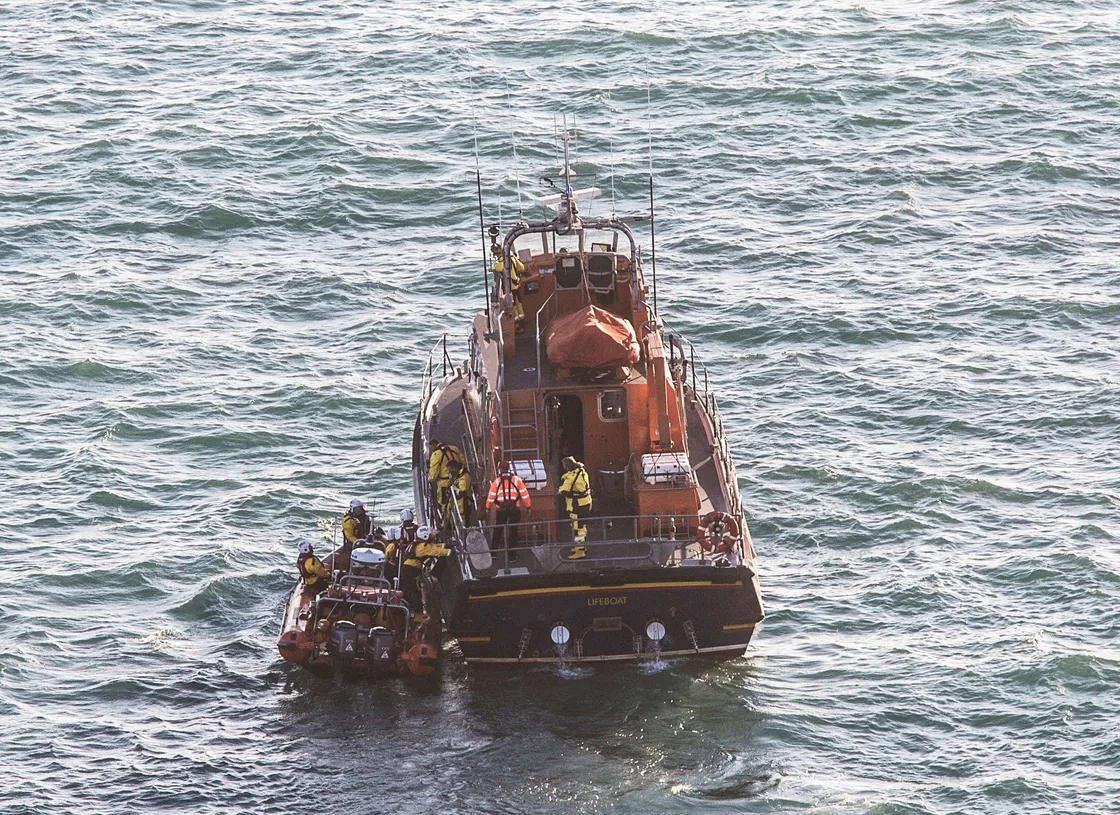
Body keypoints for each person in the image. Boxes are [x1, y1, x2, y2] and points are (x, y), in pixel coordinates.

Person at [384, 522, 450, 616]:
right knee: (413, 590)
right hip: (411, 570)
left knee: (412, 589)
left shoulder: (419, 545)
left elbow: (433, 547)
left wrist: (444, 545)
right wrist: (448, 551)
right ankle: (415, 611)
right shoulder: (422, 546)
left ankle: (413, 609)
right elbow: (434, 551)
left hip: (407, 568)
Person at [484, 461, 531, 562]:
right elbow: (524, 494)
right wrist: (528, 507)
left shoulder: (496, 482)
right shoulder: (517, 480)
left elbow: (491, 497)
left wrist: (487, 508)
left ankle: (493, 553)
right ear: (509, 468)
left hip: (501, 510)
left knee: (498, 530)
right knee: (513, 532)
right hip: (515, 510)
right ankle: (512, 556)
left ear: (499, 469)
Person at [492, 241, 527, 334]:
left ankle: (517, 327)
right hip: (517, 286)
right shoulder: (512, 258)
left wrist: (495, 265)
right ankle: (522, 324)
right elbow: (521, 267)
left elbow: (498, 268)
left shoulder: (503, 261)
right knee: (519, 305)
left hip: (510, 288)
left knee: (514, 307)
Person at [559, 456, 593, 544]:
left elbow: (564, 491)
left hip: (577, 505)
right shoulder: (582, 471)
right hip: (586, 502)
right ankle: (582, 545)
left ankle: (580, 549)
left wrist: (560, 488)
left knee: (577, 528)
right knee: (582, 526)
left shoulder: (571, 477)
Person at [428, 441, 466, 519]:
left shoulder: (436, 455)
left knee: (443, 503)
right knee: (458, 499)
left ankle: (446, 520)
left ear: (433, 446)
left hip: (444, 483)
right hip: (457, 479)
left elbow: (434, 474)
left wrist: (430, 479)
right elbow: (462, 461)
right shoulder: (454, 448)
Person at [448, 460, 473, 526]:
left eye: (450, 471)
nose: (450, 473)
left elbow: (462, 491)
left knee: (464, 524)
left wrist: (455, 486)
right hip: (456, 504)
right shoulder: (457, 475)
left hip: (463, 505)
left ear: (454, 468)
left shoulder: (463, 477)